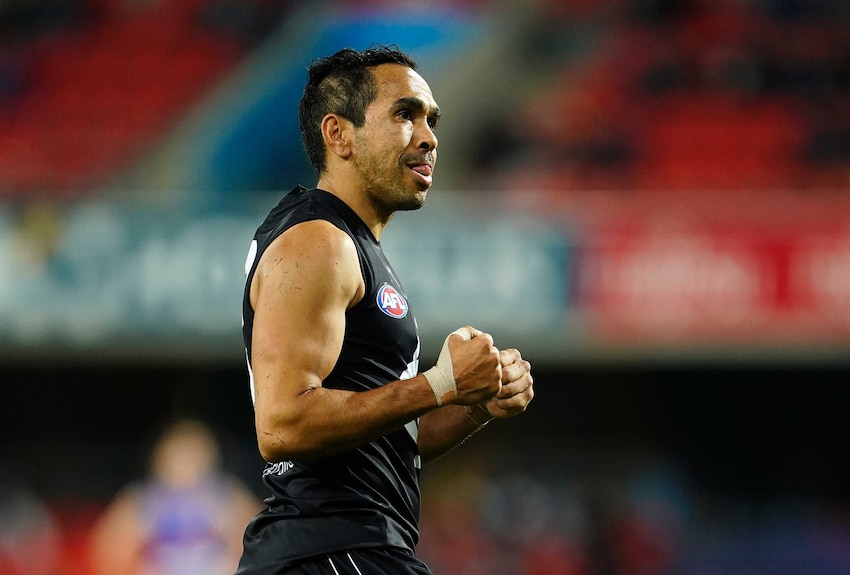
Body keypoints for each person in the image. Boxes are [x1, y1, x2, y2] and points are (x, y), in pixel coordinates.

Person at [236, 44, 535, 575]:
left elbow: (398, 441)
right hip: (331, 548)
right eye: (405, 114)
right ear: (338, 134)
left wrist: (473, 402)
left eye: (431, 120)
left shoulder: (350, 243)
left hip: (346, 548)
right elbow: (282, 425)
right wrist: (439, 384)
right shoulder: (318, 242)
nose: (428, 137)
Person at [89, 418, 263, 575]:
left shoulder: (226, 495)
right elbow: (109, 548)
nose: (186, 464)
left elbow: (262, 541)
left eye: (193, 455)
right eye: (179, 455)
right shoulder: (144, 498)